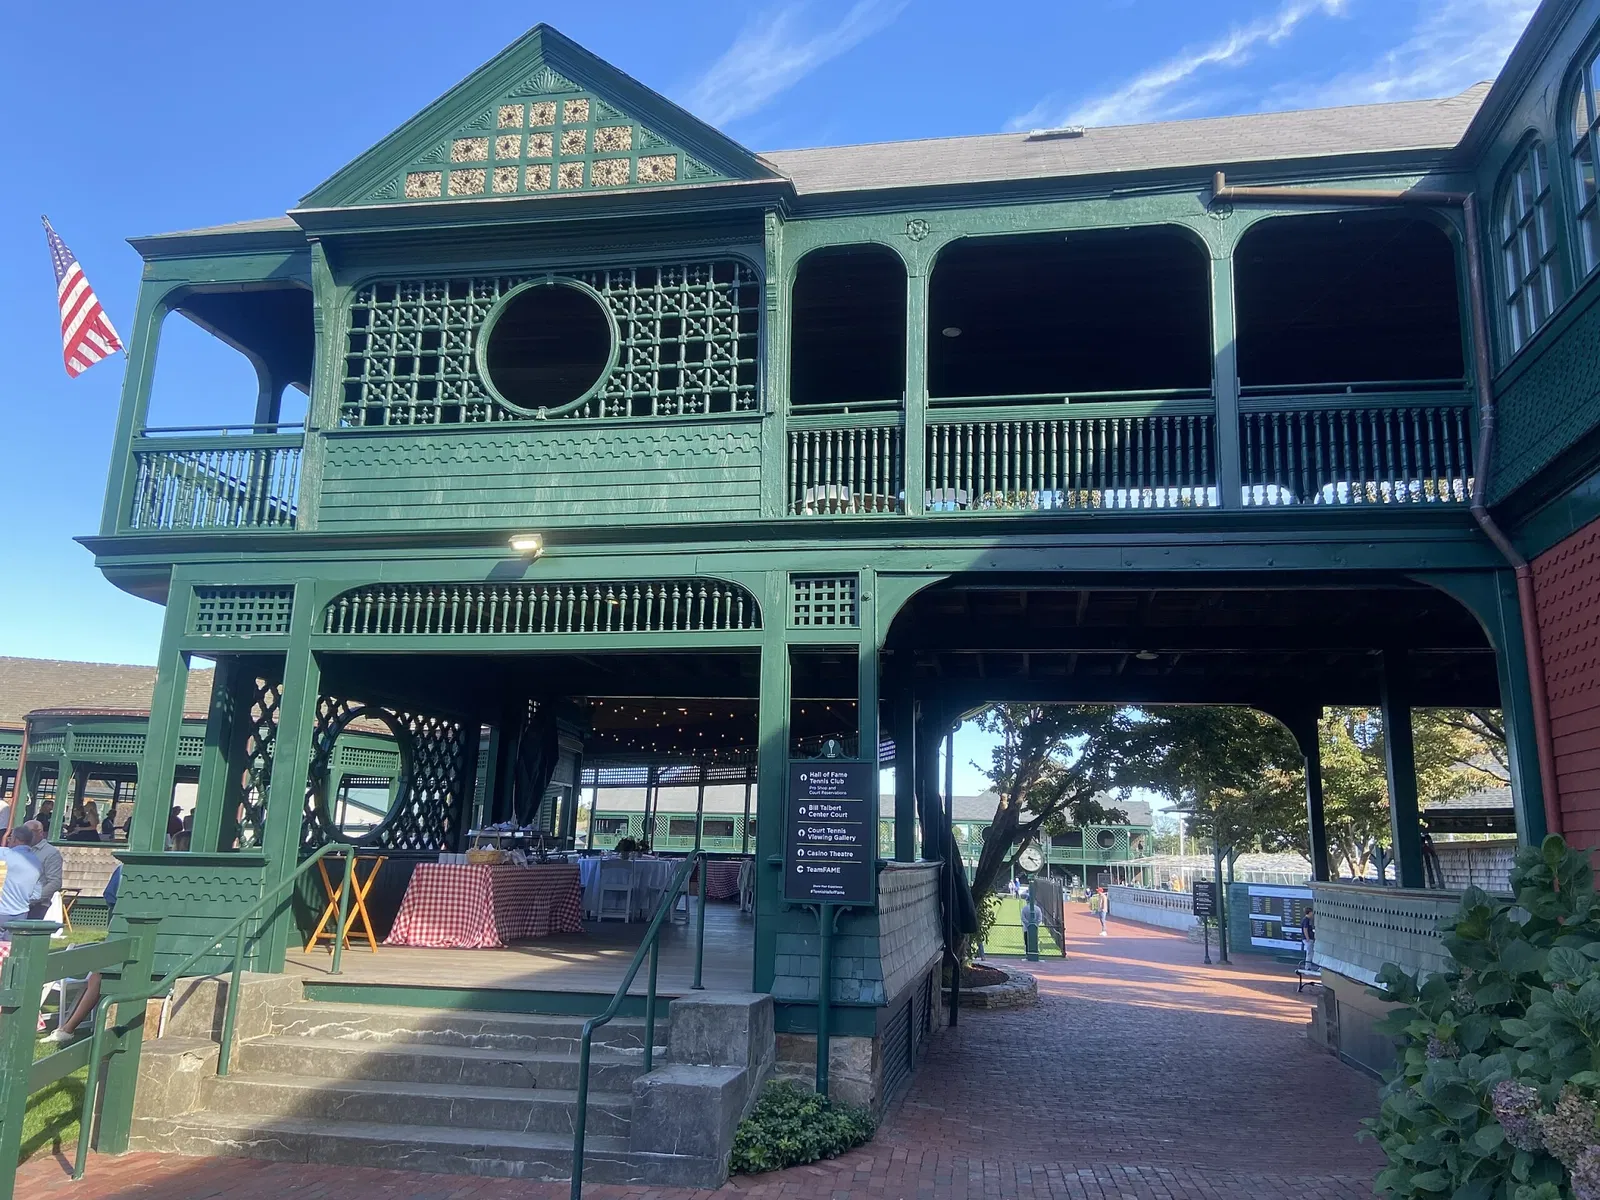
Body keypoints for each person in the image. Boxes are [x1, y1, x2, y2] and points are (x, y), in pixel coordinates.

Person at [45, 866, 121, 1044]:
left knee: (98, 976)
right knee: (97, 975)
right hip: (120, 939)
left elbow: (111, 898)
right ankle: (69, 1027)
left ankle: (68, 1028)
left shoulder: (123, 869)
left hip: (122, 936)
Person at [0, 827, 42, 932]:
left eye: (11, 838)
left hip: (2, 911)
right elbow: (36, 895)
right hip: (21, 914)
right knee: (12, 946)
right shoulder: (37, 863)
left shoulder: (4, 854)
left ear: (16, 840)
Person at [22, 821, 61, 922]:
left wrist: (33, 899)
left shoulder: (51, 853)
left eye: (28, 831)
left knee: (27, 935)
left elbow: (55, 882)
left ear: (40, 832)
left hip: (37, 905)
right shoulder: (21, 849)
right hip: (16, 902)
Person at [1020, 890, 1044, 962]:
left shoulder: (1024, 908)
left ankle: (1028, 955)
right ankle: (1034, 953)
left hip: (1026, 929)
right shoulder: (1038, 909)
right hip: (1035, 929)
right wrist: (1035, 925)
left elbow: (1023, 918)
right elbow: (1040, 919)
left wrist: (1028, 924)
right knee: (1035, 941)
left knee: (1027, 942)